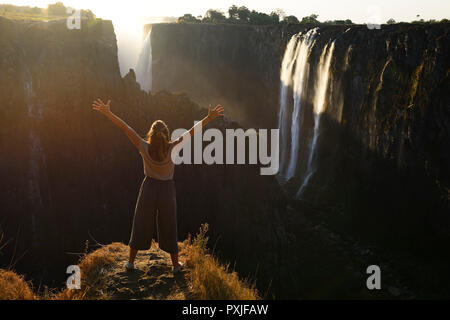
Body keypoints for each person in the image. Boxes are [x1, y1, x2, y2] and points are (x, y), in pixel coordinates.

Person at [92, 98, 224, 273]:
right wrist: (209, 118)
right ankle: (176, 265)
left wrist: (108, 113)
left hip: (148, 187)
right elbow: (192, 131)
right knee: (169, 225)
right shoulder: (173, 147)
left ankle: (130, 263)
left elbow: (125, 128)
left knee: (140, 223)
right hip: (167, 190)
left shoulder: (143, 146)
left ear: (151, 134)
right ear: (167, 134)